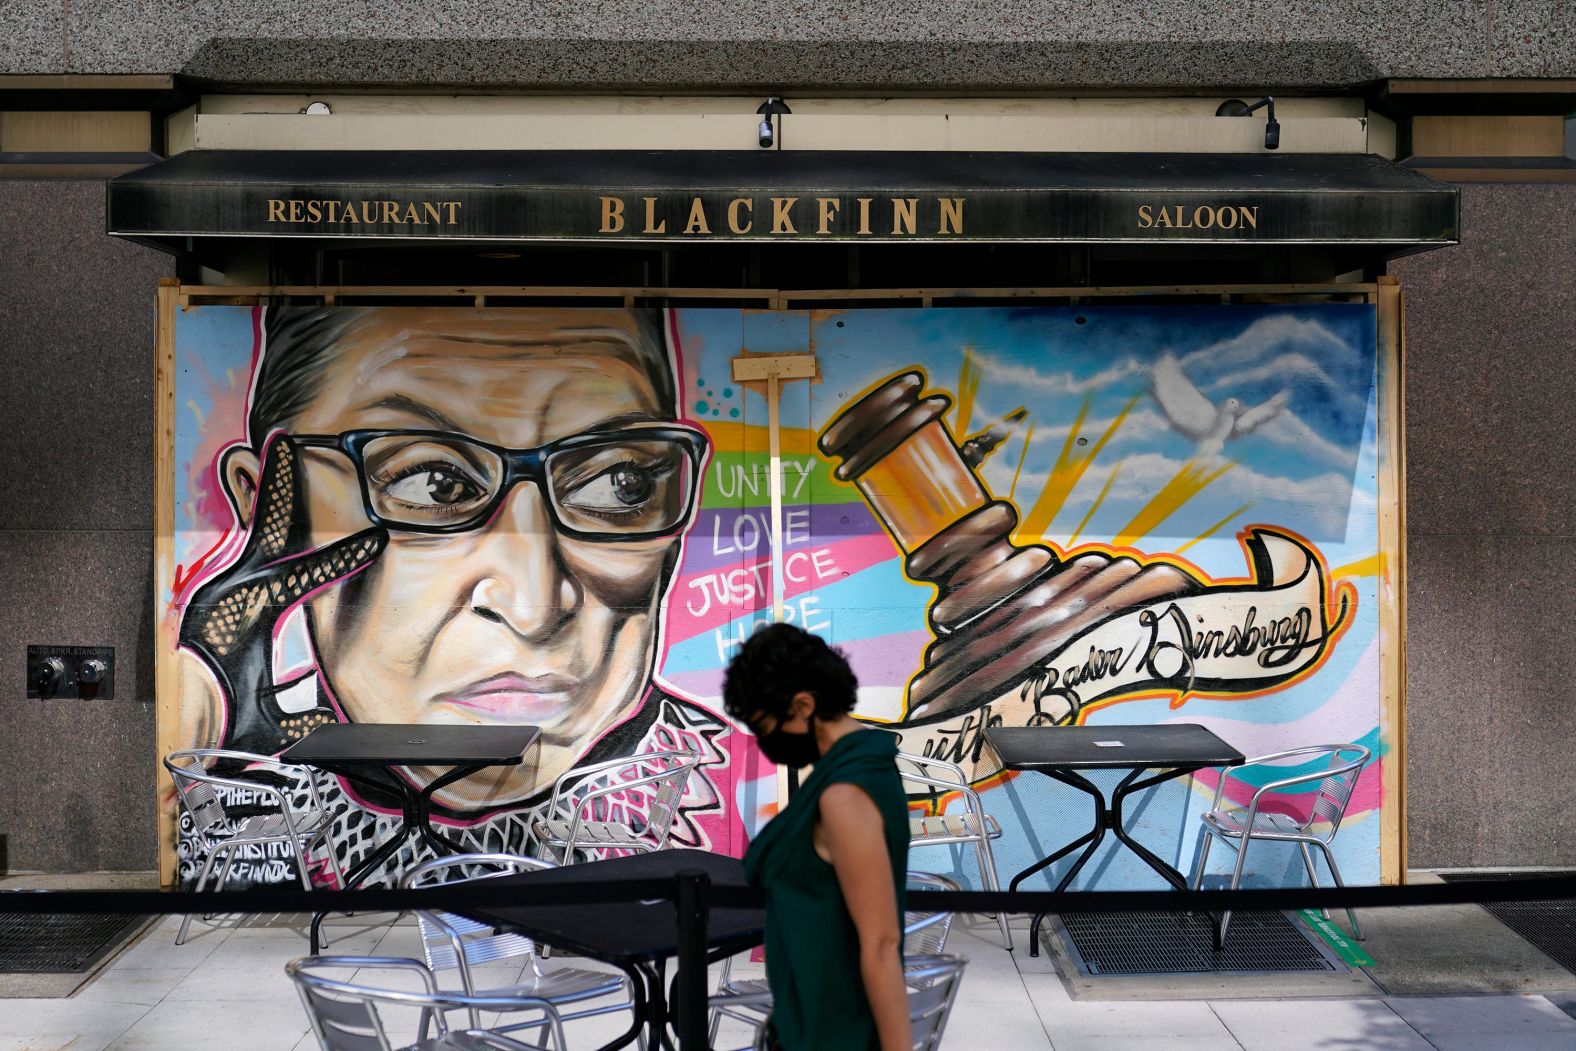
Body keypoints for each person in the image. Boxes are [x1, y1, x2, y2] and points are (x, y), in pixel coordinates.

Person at [172, 306, 728, 880]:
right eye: (434, 484)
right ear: (266, 505)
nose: (533, 604)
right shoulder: (247, 757)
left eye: (622, 484)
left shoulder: (719, 776)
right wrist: (205, 712)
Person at [725, 623, 912, 1051]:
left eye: (765, 725)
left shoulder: (844, 795)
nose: (765, 742)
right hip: (808, 1018)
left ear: (804, 705)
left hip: (832, 1032)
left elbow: (882, 941)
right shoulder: (861, 765)